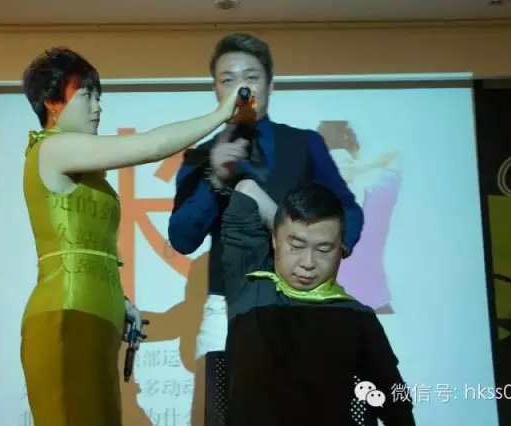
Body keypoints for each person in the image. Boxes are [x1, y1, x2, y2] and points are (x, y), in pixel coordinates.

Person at [20, 47, 241, 426]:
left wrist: (118, 300)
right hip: (66, 318)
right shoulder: (51, 147)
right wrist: (221, 114)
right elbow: (151, 145)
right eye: (86, 96)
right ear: (53, 102)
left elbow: (87, 246)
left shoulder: (76, 162)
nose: (98, 107)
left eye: (98, 96)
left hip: (94, 318)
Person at [167, 33, 364, 421]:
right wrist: (214, 179)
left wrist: (327, 250)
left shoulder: (305, 144)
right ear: (215, 89)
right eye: (228, 79)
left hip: (302, 304)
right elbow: (182, 237)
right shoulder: (200, 156)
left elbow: (349, 212)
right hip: (228, 308)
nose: (241, 88)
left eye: (251, 77)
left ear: (270, 84)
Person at [220, 180, 415, 426]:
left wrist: (293, 235)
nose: (308, 263)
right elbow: (247, 190)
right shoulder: (249, 283)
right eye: (296, 246)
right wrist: (287, 227)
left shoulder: (358, 317)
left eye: (323, 250)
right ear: (274, 240)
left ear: (340, 250)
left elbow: (397, 407)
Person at [318, 120, 402, 312]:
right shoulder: (304, 210)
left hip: (374, 311)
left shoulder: (377, 197)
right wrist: (360, 167)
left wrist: (360, 167)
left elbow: (398, 155)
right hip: (330, 311)